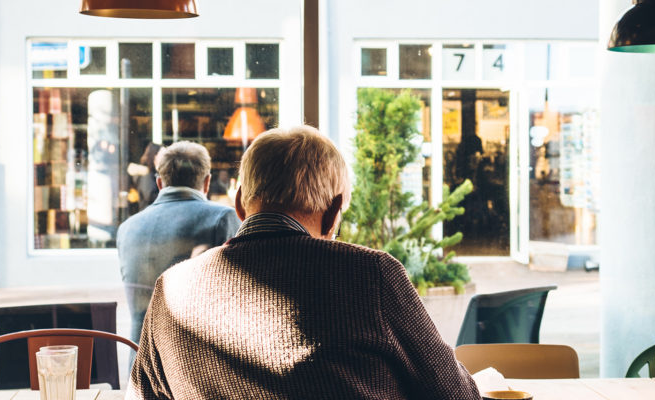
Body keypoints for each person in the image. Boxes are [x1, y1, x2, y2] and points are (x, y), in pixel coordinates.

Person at [128, 126, 481, 399]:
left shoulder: (170, 290)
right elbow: (455, 394)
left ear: (239, 204)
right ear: (331, 215)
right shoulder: (372, 276)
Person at [117, 141, 241, 344]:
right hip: (194, 362)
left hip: (139, 362)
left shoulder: (127, 228)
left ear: (159, 183)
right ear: (207, 182)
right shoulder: (222, 219)